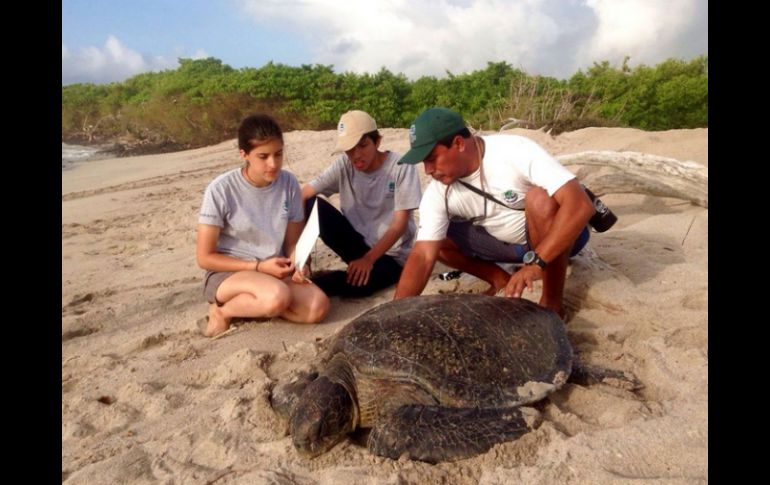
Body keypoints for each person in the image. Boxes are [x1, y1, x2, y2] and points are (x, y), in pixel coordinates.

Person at [393, 107, 595, 319]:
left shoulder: (514, 151)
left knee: (540, 199)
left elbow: (580, 205)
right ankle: (500, 280)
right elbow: (423, 255)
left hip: (561, 236)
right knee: (434, 239)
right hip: (509, 247)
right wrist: (395, 313)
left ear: (459, 143)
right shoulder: (438, 191)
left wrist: (538, 262)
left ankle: (552, 304)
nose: (427, 170)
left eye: (432, 158)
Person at [196, 113, 330, 337]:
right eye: (263, 156)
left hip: (275, 270)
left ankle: (257, 306)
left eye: (278, 154)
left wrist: (299, 263)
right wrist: (258, 267)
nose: (273, 164)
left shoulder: (289, 183)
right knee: (277, 297)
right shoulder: (220, 189)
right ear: (244, 154)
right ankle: (223, 311)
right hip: (230, 272)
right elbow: (204, 258)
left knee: (318, 307)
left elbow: (292, 243)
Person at [301, 110, 422, 297]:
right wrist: (303, 255)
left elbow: (400, 224)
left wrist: (368, 259)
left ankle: (310, 285)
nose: (356, 155)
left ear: (377, 142)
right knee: (309, 204)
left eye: (363, 145)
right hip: (355, 242)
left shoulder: (401, 167)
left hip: (391, 254)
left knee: (360, 286)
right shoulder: (344, 164)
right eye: (350, 149)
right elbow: (301, 196)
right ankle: (300, 272)